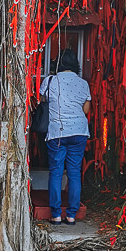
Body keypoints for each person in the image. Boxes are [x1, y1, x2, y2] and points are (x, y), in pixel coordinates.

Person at [40, 48, 91, 225]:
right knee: (74, 173)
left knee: (56, 172)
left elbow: (43, 101)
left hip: (58, 132)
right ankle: (71, 215)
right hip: (79, 131)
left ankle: (55, 215)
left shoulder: (50, 81)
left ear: (57, 63)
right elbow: (86, 110)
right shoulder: (83, 83)